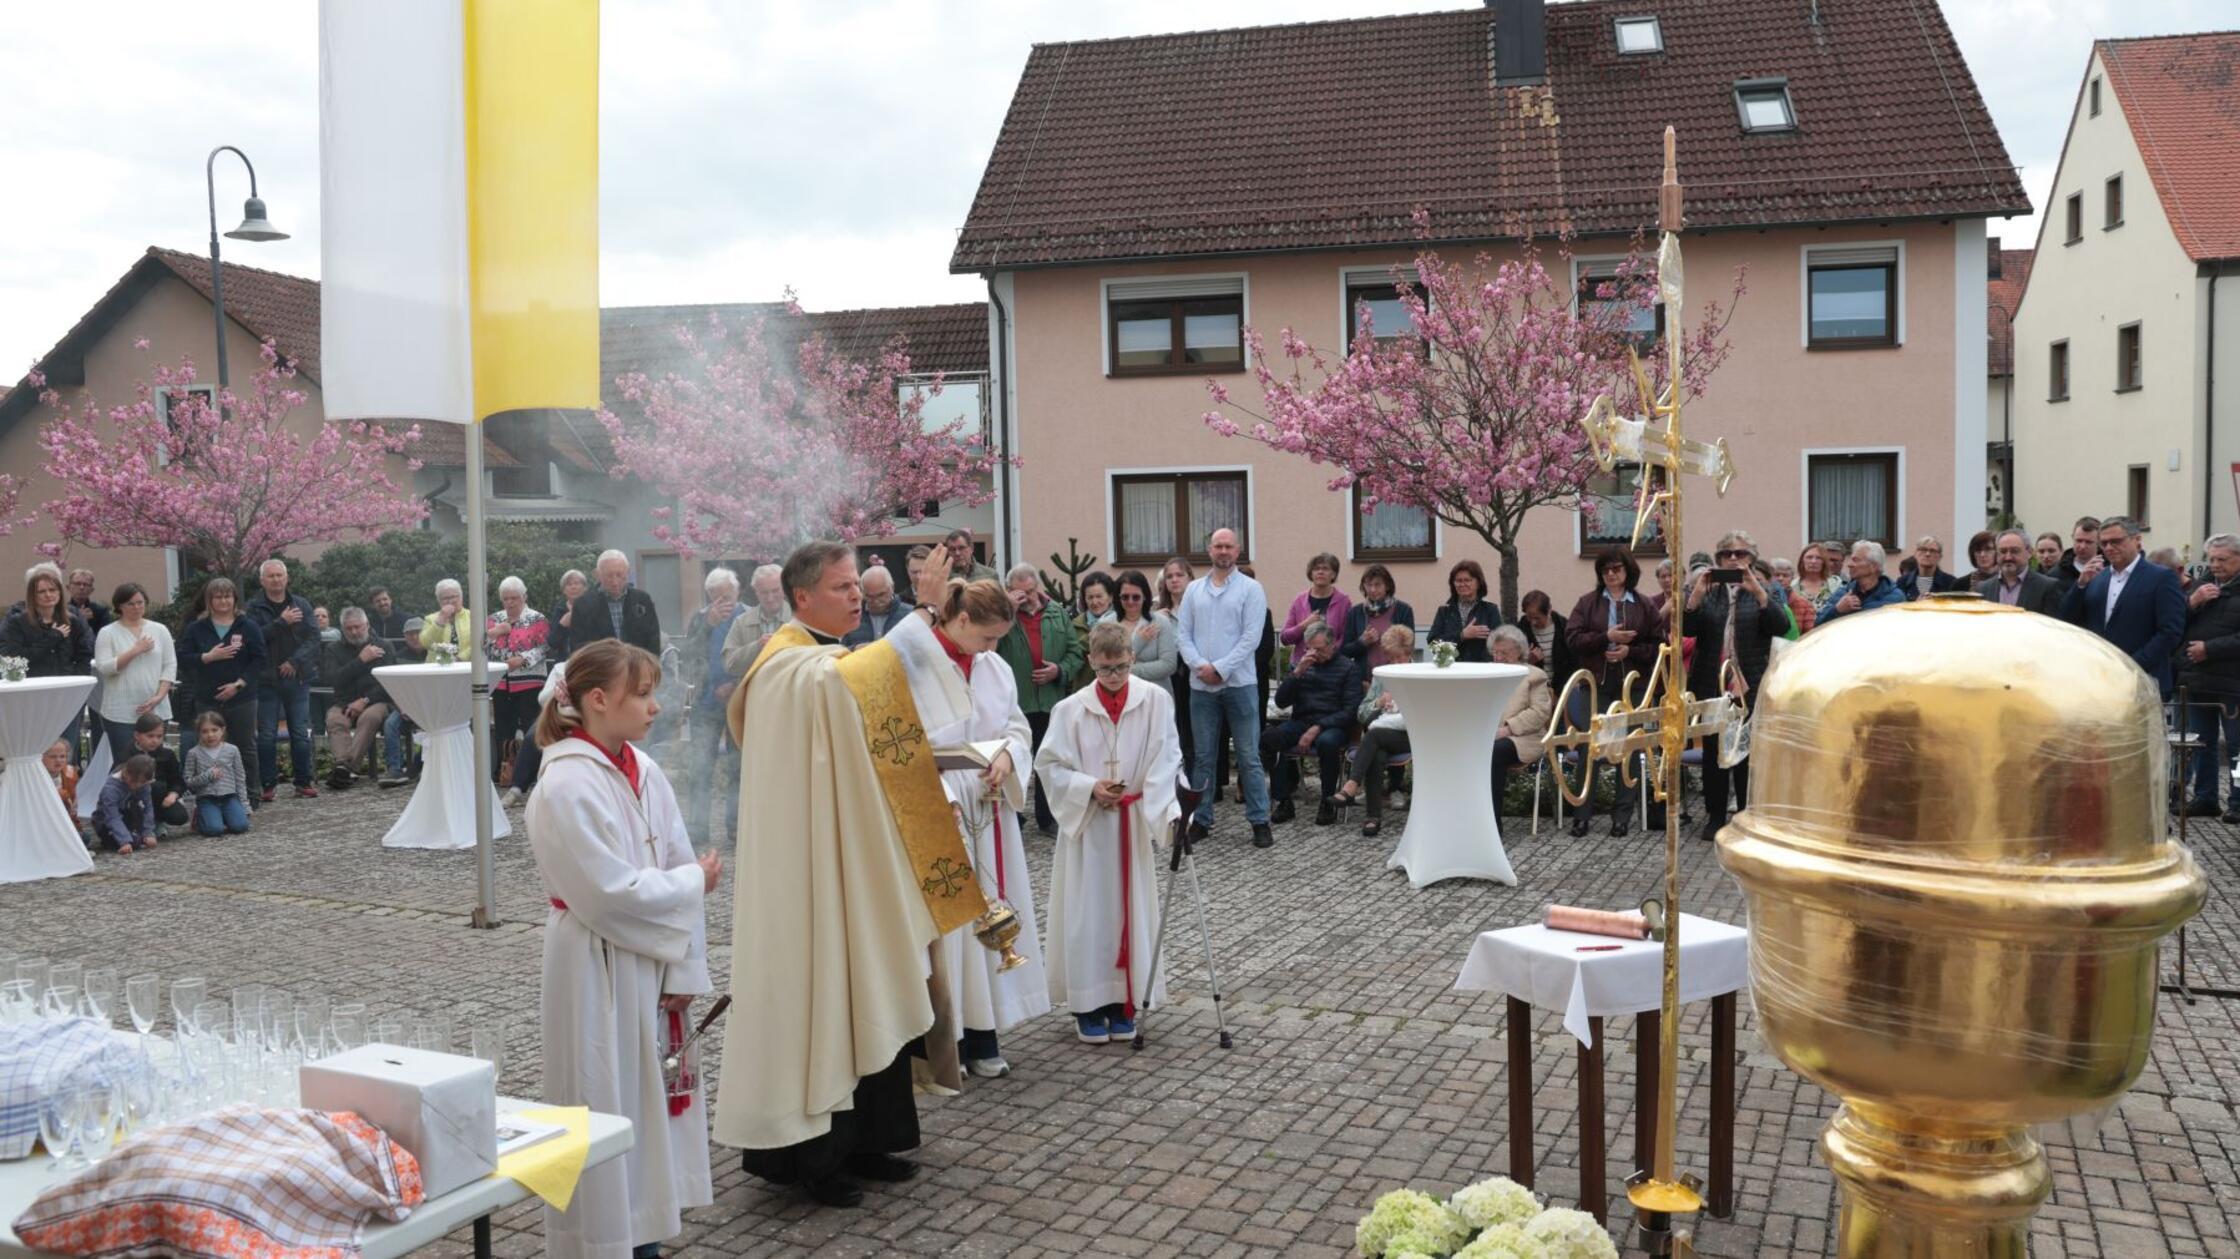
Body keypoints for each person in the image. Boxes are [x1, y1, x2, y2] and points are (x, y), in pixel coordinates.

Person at [717, 541, 991, 1208]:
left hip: (855, 854)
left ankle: (872, 1140)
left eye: (852, 586)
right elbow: (851, 680)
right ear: (801, 596)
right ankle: (814, 1157)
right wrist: (926, 613)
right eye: (840, 587)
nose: (853, 596)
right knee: (822, 991)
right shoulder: (786, 667)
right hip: (808, 871)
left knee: (868, 974)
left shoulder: (829, 661)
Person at [525, 639, 719, 1259]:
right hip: (594, 965)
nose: (655, 706)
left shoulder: (642, 766)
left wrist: (683, 966)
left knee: (647, 1102)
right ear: (598, 699)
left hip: (647, 961)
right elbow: (606, 894)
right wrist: (693, 884)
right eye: (642, 693)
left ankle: (646, 1236)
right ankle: (606, 1241)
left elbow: (674, 854)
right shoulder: (565, 782)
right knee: (602, 1092)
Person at [914, 569, 1049, 1079]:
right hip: (941, 805)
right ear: (962, 619)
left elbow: (1015, 725)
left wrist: (1010, 759)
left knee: (995, 912)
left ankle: (986, 1033)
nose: (993, 647)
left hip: (989, 806)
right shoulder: (919, 666)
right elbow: (908, 743)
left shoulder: (993, 667)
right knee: (952, 924)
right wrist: (944, 794)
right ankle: (948, 1037)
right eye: (988, 635)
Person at [1035, 620, 1182, 1046]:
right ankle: (1088, 1005)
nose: (1114, 678)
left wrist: (1167, 813)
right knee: (1088, 915)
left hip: (1131, 824)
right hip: (1088, 828)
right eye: (1104, 670)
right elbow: (1050, 766)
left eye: (1120, 667)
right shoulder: (1071, 709)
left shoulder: (1154, 701)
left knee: (1128, 914)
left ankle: (1124, 1003)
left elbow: (1165, 758)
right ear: (1090, 662)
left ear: (1132, 659)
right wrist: (1088, 788)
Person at [1684, 531, 1787, 840]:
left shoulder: (1764, 589)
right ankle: (1715, 817)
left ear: (1751, 559)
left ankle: (1745, 815)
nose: (1733, 559)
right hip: (1712, 683)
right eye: (1726, 554)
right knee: (1714, 753)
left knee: (1745, 753)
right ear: (1717, 561)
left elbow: (1780, 626)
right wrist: (1695, 596)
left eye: (1740, 554)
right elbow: (1687, 629)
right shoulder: (1709, 591)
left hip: (1750, 684)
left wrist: (1758, 592)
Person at [1174, 528, 1272, 848]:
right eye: (1218, 546)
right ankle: (1201, 820)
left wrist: (1220, 668)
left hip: (1240, 684)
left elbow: (1251, 638)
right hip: (1201, 686)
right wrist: (1199, 666)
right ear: (1209, 550)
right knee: (1203, 757)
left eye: (1229, 546)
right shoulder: (1193, 591)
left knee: (1248, 756)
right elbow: (1183, 635)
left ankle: (1260, 821)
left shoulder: (1251, 589)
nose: (1223, 551)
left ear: (1238, 550)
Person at [1562, 549, 1661, 837]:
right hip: (1597, 687)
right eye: (1605, 570)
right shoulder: (1588, 603)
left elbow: (1658, 647)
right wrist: (1606, 638)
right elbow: (1572, 638)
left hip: (1634, 687)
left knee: (1628, 749)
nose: (1610, 574)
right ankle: (1581, 816)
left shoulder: (1644, 605)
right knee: (1589, 747)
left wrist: (1631, 650)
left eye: (1616, 569)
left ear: (1627, 571)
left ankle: (1622, 817)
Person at [996, 563, 1083, 836]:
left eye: (1031, 591)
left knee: (1047, 760)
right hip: (1016, 704)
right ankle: (1016, 818)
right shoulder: (1002, 617)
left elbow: (1075, 653)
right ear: (1010, 591)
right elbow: (988, 645)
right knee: (1016, 760)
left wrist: (1059, 671)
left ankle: (1047, 818)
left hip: (1049, 700)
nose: (1028, 598)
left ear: (1038, 588)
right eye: (1020, 593)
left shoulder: (1057, 613)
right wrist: (1006, 609)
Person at [2060, 514, 2186, 699]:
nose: (2109, 548)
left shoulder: (2160, 577)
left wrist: (2131, 665)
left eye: (2116, 541)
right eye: (2104, 543)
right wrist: (2080, 585)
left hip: (2145, 679)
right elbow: (2066, 620)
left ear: (2137, 540)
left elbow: (2170, 632)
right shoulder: (2097, 578)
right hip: (2102, 679)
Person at [1260, 622, 1360, 827]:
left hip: (1333, 725)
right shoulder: (1303, 666)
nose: (1314, 653)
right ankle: (1283, 800)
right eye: (1310, 648)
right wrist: (1296, 674)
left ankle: (1327, 801)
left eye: (1319, 649)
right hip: (1301, 722)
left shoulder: (1348, 668)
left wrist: (1318, 727)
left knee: (1327, 742)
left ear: (1332, 645)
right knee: (1269, 738)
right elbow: (1281, 701)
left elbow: (1350, 711)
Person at [179, 577, 263, 807]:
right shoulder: (196, 628)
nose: (223, 600)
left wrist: (238, 684)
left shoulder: (248, 626)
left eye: (228, 596)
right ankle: (209, 795)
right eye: (218, 596)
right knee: (207, 747)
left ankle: (251, 795)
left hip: (242, 697)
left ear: (235, 599)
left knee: (245, 746)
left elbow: (259, 660)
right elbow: (184, 659)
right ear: (210, 600)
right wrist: (207, 657)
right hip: (208, 698)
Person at [2, 566, 96, 754]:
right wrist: (51, 637)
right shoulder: (17, 622)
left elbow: (84, 655)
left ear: (60, 592)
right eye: (41, 591)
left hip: (67, 694)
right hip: (33, 696)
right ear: (32, 595)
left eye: (52, 590)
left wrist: (76, 682)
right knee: (37, 752)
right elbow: (13, 657)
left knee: (65, 753)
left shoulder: (73, 620)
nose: (48, 595)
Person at [248, 558, 320, 801]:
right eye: (271, 576)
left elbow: (314, 638)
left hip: (297, 678)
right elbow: (253, 639)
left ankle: (304, 782)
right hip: (266, 681)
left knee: (300, 732)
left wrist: (295, 661)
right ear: (262, 581)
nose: (276, 580)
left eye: (280, 575)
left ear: (287, 578)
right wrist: (281, 623)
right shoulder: (254, 608)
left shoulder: (301, 604)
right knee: (266, 734)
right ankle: (268, 785)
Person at [1333, 624, 1415, 837]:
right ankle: (1372, 817)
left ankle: (1352, 785)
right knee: (1376, 752)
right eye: (1391, 658)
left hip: (1413, 734)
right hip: (1383, 735)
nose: (1396, 663)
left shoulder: (1420, 675)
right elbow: (1362, 713)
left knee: (1373, 736)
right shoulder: (1381, 675)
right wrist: (1378, 702)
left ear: (1409, 653)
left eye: (1400, 657)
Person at [679, 569, 743, 840]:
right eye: (716, 597)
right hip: (706, 704)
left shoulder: (747, 617)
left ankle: (737, 825)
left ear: (737, 593)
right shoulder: (700, 618)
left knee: (737, 766)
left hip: (739, 700)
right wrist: (707, 625)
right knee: (700, 766)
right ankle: (697, 827)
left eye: (727, 596)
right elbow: (688, 654)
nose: (722, 602)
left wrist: (734, 684)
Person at [2179, 534, 2240, 819]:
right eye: (2211, 559)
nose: (2215, 565)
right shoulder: (2202, 587)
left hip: (2232, 683)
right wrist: (2191, 602)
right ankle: (2205, 798)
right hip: (2199, 679)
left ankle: (2238, 801)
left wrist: (2210, 649)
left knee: (2237, 747)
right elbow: (2175, 623)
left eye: (2222, 559)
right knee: (2201, 743)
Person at [92, 582, 176, 765]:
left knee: (156, 763)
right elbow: (104, 668)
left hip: (155, 708)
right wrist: (135, 650)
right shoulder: (108, 633)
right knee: (126, 764)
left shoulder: (160, 630)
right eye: (130, 604)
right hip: (120, 710)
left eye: (140, 602)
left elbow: (170, 665)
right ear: (119, 606)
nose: (136, 607)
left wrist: (160, 696)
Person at [487, 576, 551, 800]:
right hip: (502, 682)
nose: (510, 603)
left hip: (530, 680)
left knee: (532, 728)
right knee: (504, 729)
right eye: (506, 599)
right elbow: (482, 647)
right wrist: (495, 634)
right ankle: (507, 774)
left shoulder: (536, 618)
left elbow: (544, 647)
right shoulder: (494, 619)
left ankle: (534, 775)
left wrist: (522, 660)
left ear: (524, 597)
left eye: (514, 598)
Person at [322, 608, 393, 788]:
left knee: (370, 718)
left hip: (376, 701)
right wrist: (361, 661)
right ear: (342, 629)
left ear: (367, 625)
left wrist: (365, 700)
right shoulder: (333, 649)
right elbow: (334, 679)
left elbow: (388, 683)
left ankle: (345, 767)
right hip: (343, 702)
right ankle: (345, 768)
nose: (354, 632)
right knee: (335, 720)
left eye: (358, 627)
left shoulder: (384, 646)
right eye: (349, 628)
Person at [1486, 626, 1554, 815]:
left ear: (1519, 652)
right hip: (1489, 735)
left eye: (1504, 653)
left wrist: (1507, 729)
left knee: (1492, 752)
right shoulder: (1486, 673)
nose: (1498, 657)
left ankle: (1492, 823)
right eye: (1495, 652)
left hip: (1525, 738)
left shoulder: (1534, 675)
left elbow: (1540, 712)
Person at [571, 550, 663, 657]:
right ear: (598, 575)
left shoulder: (642, 600)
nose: (615, 582)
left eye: (620, 575)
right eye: (609, 576)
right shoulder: (583, 605)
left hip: (637, 667)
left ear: (628, 572)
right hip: (600, 668)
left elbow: (653, 640)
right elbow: (578, 646)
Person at [1155, 557, 1197, 769]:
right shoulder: (1158, 610)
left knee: (1192, 727)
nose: (1174, 580)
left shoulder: (1199, 605)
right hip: (1168, 674)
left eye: (1179, 575)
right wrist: (1155, 620)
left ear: (1190, 578)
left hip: (1193, 672)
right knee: (1171, 724)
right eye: (1169, 576)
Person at [184, 711, 252, 836]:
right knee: (214, 830)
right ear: (199, 733)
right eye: (205, 731)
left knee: (241, 826)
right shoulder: (193, 753)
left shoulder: (232, 750)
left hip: (229, 796)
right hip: (207, 798)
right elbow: (188, 782)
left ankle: (225, 816)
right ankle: (201, 818)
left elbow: (240, 778)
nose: (210, 735)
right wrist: (207, 776)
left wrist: (245, 804)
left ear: (222, 730)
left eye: (214, 730)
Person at [720, 565, 792, 679]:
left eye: (775, 591)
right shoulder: (741, 622)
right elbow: (729, 664)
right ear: (756, 592)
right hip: (754, 695)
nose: (770, 598)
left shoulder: (801, 619)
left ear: (784, 589)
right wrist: (757, 647)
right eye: (764, 592)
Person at [1339, 564, 1415, 668]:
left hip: (1395, 674)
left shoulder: (1403, 610)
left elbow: (1409, 646)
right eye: (1369, 585)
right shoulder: (1355, 613)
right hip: (1364, 680)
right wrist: (1362, 642)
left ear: (1387, 586)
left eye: (1377, 585)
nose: (1373, 590)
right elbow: (1345, 651)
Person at [1427, 559, 1500, 662]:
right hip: (1452, 670)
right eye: (1458, 581)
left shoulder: (1490, 610)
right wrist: (1461, 635)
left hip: (1481, 671)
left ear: (1478, 583)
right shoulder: (1444, 611)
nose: (1462, 584)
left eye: (1467, 580)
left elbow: (1497, 645)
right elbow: (1433, 646)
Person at [1113, 570, 1178, 685]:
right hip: (1119, 693)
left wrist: (1128, 670)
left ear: (1145, 597)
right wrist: (1137, 642)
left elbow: (1169, 665)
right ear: (1118, 598)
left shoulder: (1160, 622)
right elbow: (1107, 664)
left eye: (1136, 597)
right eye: (1125, 597)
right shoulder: (1107, 624)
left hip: (1155, 694)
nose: (1130, 601)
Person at [1977, 528, 2063, 614]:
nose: (2008, 557)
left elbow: (2052, 624)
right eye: (2003, 551)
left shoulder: (2047, 587)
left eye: (2014, 551)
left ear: (2029, 553)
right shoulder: (1984, 589)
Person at [1818, 541, 1907, 622]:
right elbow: (1817, 623)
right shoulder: (1843, 592)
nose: (1849, 565)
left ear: (1874, 566)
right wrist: (1837, 610)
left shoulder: (1896, 597)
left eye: (1856, 560)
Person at [1280, 552, 1352, 652]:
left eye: (1325, 568)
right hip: (1302, 662)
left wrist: (1328, 652)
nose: (1320, 572)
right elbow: (1285, 638)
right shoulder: (1299, 600)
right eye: (1316, 569)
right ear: (1311, 574)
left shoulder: (1343, 601)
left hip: (1333, 663)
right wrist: (1305, 624)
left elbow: (1346, 637)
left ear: (1333, 574)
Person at [91, 754, 159, 855]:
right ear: (126, 772)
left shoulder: (143, 784)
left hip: (130, 816)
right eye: (134, 781)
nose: (137, 785)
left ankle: (137, 837)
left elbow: (148, 808)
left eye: (142, 782)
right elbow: (112, 817)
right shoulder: (111, 789)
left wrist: (148, 832)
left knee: (137, 836)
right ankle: (127, 838)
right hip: (106, 821)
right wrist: (124, 841)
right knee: (128, 842)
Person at [133, 713, 190, 831]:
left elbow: (178, 780)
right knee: (154, 786)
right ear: (137, 736)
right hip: (136, 799)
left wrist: (173, 794)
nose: (155, 741)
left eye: (159, 737)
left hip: (161, 799)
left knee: (180, 816)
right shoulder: (128, 754)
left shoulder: (167, 755)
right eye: (150, 736)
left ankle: (157, 820)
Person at [843, 564, 914, 647]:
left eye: (881, 595)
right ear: (861, 592)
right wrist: (854, 649)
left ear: (892, 588)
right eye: (869, 596)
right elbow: (840, 651)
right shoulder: (852, 616)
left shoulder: (910, 615)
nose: (876, 601)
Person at [1517, 589, 1573, 682]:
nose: (1533, 622)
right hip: (1533, 687)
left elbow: (1574, 663)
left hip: (1562, 689)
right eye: (1529, 617)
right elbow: (1513, 664)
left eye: (1537, 618)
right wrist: (1528, 661)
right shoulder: (1520, 631)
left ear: (1549, 610)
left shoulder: (1565, 628)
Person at [419, 578, 476, 657]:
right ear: (439, 600)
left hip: (468, 666)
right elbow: (426, 643)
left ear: (461, 597)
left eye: (453, 597)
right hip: (438, 667)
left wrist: (461, 658)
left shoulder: (473, 616)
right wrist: (440, 620)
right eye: (445, 598)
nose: (450, 601)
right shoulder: (430, 619)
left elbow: (479, 643)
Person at [1895, 536, 1961, 601]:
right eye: (1923, 550)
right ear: (1915, 554)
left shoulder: (1950, 582)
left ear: (1940, 556)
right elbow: (1897, 608)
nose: (1927, 554)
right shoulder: (1903, 582)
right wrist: (1915, 605)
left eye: (1932, 551)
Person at [543, 570, 589, 664]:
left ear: (585, 588)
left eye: (577, 583)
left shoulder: (593, 608)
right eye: (569, 584)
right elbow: (552, 643)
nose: (573, 587)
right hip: (564, 664)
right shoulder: (559, 610)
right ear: (564, 590)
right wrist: (562, 625)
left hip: (588, 663)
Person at [43, 740, 80, 836]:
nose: (58, 760)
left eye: (62, 756)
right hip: (43, 822)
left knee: (83, 838)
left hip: (62, 822)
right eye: (52, 757)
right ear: (42, 758)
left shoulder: (70, 774)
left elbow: (73, 808)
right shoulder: (35, 776)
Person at [64, 568, 111, 636]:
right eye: (77, 583)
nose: (81, 587)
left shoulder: (101, 611)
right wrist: (80, 620)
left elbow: (104, 636)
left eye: (86, 584)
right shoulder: (62, 610)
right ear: (68, 588)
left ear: (91, 590)